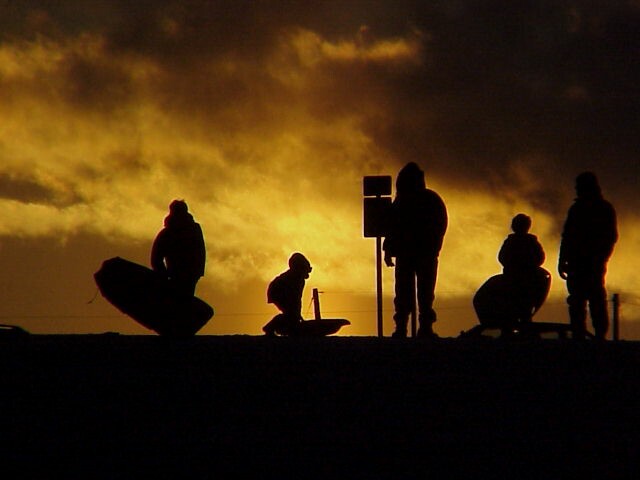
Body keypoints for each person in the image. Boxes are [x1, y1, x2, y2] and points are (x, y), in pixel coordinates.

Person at [383, 162, 448, 338]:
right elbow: (392, 228)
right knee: (417, 292)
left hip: (417, 254)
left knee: (414, 293)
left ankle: (413, 327)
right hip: (420, 254)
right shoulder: (428, 200)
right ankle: (412, 327)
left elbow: (392, 228)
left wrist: (389, 250)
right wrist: (389, 249)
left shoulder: (408, 201)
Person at [558, 172, 617, 340]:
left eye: (579, 187)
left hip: (592, 264)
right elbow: (567, 236)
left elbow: (610, 237)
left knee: (595, 300)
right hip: (577, 264)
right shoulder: (577, 209)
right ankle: (579, 335)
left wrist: (600, 258)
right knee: (578, 302)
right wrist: (563, 260)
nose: (577, 190)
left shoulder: (603, 209)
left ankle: (599, 335)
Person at [151, 200, 206, 300]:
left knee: (183, 301)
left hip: (190, 275)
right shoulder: (167, 233)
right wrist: (164, 275)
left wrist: (197, 272)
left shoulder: (193, 229)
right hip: (175, 276)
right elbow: (156, 258)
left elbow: (200, 251)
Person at [498, 213, 546, 324]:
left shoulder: (511, 242)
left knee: (515, 310)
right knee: (524, 311)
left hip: (515, 280)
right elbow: (540, 258)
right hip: (526, 280)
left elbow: (502, 257)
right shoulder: (532, 242)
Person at [263, 253, 312, 336]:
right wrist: (297, 314)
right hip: (277, 292)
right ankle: (270, 327)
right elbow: (296, 298)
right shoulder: (296, 279)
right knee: (291, 314)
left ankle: (285, 329)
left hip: (278, 292)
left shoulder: (298, 278)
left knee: (291, 315)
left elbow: (296, 298)